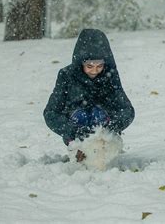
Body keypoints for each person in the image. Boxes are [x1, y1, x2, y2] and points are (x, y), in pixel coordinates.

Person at [44, 29, 135, 160]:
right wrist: (72, 130)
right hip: (75, 126)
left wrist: (111, 126)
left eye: (99, 66)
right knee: (81, 115)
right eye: (90, 66)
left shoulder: (110, 75)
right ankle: (79, 150)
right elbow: (51, 113)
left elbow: (127, 110)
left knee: (98, 114)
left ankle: (104, 150)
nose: (95, 71)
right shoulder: (66, 75)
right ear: (81, 63)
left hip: (103, 127)